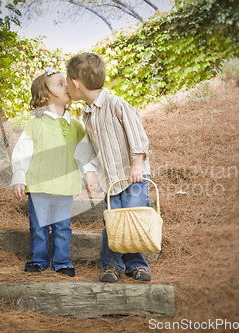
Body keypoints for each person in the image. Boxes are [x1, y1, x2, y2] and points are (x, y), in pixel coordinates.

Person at [66, 53, 152, 283]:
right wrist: (91, 173)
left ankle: (136, 264)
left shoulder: (115, 103)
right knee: (112, 222)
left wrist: (137, 164)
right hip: (112, 180)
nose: (66, 87)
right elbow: (91, 148)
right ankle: (112, 265)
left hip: (133, 176)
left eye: (67, 82)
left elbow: (138, 135)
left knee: (133, 220)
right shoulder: (87, 113)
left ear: (76, 84)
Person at [10, 67, 95, 277]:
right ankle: (38, 259)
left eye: (67, 82)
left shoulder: (76, 126)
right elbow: (22, 152)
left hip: (65, 186)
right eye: (60, 83)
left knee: (62, 228)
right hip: (39, 185)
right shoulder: (35, 124)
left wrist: (89, 175)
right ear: (46, 95)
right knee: (38, 227)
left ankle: (62, 261)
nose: (67, 86)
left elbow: (84, 153)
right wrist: (19, 176)